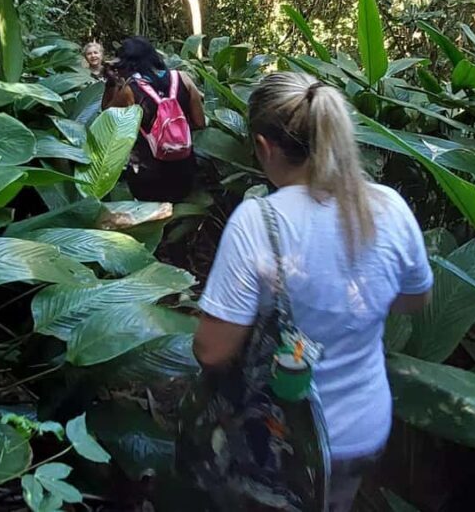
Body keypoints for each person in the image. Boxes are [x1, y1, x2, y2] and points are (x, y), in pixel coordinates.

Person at [190, 72, 434, 511]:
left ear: (263, 147)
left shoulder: (257, 222)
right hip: (363, 427)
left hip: (284, 434)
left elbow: (212, 351)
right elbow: (414, 299)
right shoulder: (389, 207)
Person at [101, 36, 205, 203]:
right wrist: (174, 132)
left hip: (148, 172)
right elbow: (200, 122)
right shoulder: (183, 78)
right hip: (184, 167)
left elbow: (107, 117)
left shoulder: (131, 90)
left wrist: (111, 83)